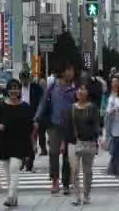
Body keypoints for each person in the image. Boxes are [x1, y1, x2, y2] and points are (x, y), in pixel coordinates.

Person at [0, 79, 35, 207]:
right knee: (8, 172)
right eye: (11, 88)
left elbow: (32, 126)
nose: (14, 90)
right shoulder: (0, 105)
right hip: (5, 142)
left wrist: (33, 143)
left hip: (21, 142)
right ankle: (14, 197)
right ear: (7, 90)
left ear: (19, 90)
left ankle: (9, 196)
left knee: (14, 167)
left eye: (16, 88)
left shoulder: (25, 107)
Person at [34, 62, 76, 195]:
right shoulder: (52, 86)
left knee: (67, 155)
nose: (71, 73)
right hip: (53, 124)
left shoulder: (74, 88)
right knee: (53, 152)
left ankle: (66, 183)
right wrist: (36, 119)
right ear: (62, 72)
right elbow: (43, 102)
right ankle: (55, 181)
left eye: (72, 70)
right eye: (69, 70)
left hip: (69, 125)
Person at [64, 79, 101, 206]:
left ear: (88, 92)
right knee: (74, 170)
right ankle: (77, 196)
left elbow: (97, 125)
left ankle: (86, 195)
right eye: (78, 89)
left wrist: (98, 140)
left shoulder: (92, 108)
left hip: (89, 142)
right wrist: (63, 143)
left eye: (83, 89)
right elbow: (67, 126)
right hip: (73, 142)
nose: (80, 91)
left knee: (87, 171)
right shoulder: (71, 108)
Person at [20, 72, 46, 165]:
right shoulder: (18, 88)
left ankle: (30, 160)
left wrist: (38, 115)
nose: (24, 81)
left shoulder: (36, 88)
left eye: (26, 79)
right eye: (22, 79)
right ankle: (22, 158)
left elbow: (41, 101)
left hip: (33, 116)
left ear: (29, 79)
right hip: (21, 117)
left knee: (33, 138)